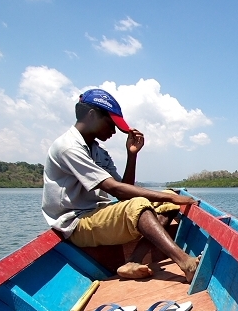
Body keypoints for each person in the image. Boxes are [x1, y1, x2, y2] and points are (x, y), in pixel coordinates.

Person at [42, 88, 199, 282]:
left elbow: (124, 190)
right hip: (75, 223)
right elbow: (114, 189)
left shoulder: (98, 151)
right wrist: (171, 196)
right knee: (153, 201)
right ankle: (186, 262)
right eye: (110, 124)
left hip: (97, 213)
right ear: (92, 115)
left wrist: (132, 155)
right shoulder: (68, 147)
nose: (114, 131)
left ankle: (133, 261)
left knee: (166, 201)